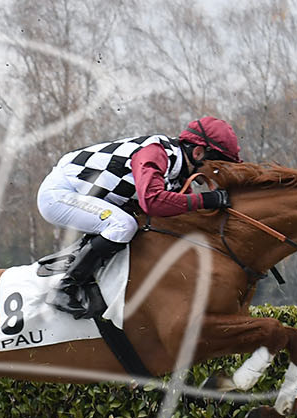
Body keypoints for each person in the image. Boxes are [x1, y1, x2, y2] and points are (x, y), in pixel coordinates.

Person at [35, 117, 242, 318]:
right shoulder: (156, 153)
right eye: (218, 166)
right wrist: (207, 200)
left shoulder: (178, 175)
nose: (218, 174)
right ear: (198, 153)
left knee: (132, 225)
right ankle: (65, 288)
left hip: (86, 195)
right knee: (123, 225)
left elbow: (179, 213)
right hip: (60, 194)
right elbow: (152, 201)